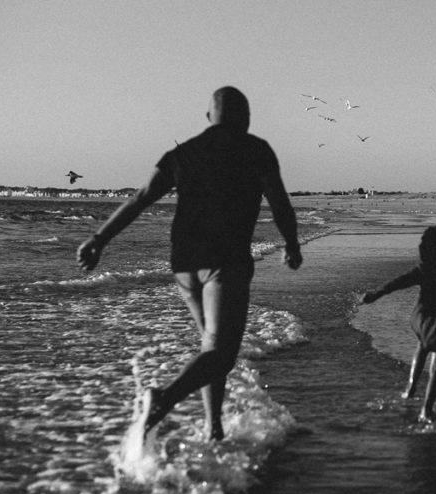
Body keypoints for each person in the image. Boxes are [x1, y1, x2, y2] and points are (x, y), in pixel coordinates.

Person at [76, 86, 303, 441]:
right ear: (245, 118)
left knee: (210, 347)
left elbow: (140, 198)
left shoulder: (181, 154)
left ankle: (214, 429)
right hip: (224, 260)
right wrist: (291, 244)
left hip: (183, 263)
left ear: (209, 116)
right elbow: (280, 203)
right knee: (222, 354)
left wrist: (99, 239)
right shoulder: (256, 149)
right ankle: (163, 399)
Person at [359, 226, 436, 422]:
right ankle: (426, 411)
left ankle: (410, 389)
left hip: (420, 321)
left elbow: (397, 283)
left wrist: (375, 295)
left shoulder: (424, 270)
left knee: (422, 345)